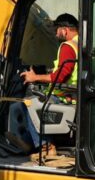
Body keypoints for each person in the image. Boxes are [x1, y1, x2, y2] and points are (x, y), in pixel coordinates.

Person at [8, 13, 79, 155]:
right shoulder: (82, 44)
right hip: (74, 94)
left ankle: (46, 146)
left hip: (65, 96)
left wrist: (35, 77)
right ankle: (30, 142)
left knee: (30, 104)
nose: (55, 33)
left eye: (57, 29)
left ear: (65, 30)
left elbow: (61, 76)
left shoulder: (67, 46)